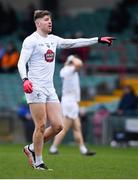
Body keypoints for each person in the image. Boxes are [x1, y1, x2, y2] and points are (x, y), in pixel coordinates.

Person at [17, 10, 115, 170]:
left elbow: (74, 42)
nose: (50, 22)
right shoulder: (30, 41)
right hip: (35, 87)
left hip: (50, 89)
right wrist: (25, 79)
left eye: (51, 19)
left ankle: (31, 148)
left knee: (58, 126)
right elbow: (21, 63)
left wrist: (97, 40)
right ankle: (39, 162)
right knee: (41, 125)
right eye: (46, 20)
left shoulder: (53, 39)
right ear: (38, 23)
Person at [49, 55, 95, 155]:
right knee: (64, 128)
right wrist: (72, 58)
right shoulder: (69, 69)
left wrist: (70, 59)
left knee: (77, 127)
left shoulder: (67, 69)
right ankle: (53, 148)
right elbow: (79, 63)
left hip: (71, 102)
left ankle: (83, 149)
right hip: (69, 102)